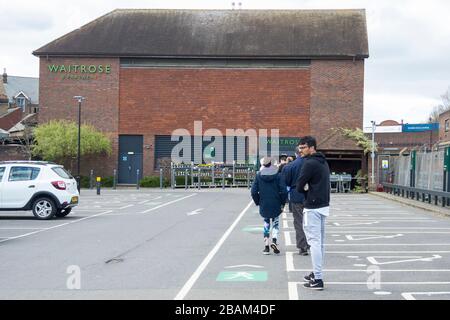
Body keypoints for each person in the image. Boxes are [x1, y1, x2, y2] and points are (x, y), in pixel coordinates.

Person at [296, 136, 330, 291]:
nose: (300, 150)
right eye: (300, 148)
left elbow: (299, 186)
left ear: (311, 147)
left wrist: (306, 189)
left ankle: (318, 278)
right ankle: (317, 273)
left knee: (314, 243)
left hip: (312, 207)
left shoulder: (309, 163)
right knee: (320, 243)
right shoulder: (323, 161)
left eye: (303, 147)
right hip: (323, 205)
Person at [251, 156, 288, 255]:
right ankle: (274, 241)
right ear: (271, 164)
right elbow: (284, 191)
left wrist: (258, 201)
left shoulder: (259, 175)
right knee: (275, 223)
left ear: (263, 164)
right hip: (276, 202)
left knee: (266, 223)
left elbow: (253, 191)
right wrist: (282, 202)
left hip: (264, 202)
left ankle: (266, 246)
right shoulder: (278, 175)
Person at [281, 146, 309, 256]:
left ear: (296, 154)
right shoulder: (312, 164)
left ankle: (303, 247)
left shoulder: (290, 166)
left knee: (299, 221)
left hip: (296, 195)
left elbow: (285, 182)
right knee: (310, 222)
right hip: (311, 196)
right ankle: (311, 243)